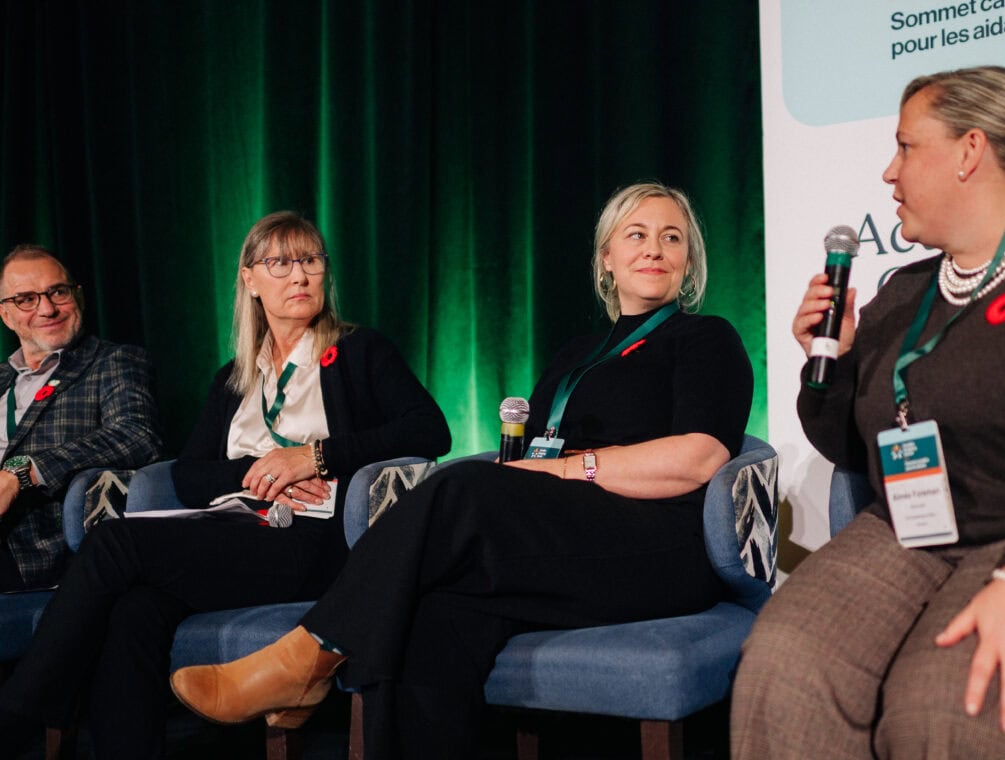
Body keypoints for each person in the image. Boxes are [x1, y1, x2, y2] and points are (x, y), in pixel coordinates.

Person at [169, 182, 755, 758]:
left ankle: (308, 654)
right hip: (564, 543)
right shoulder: (577, 354)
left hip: (655, 545)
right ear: (607, 257)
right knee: (428, 619)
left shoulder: (704, 339)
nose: (653, 248)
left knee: (462, 484)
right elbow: (533, 455)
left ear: (688, 262)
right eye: (636, 235)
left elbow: (699, 457)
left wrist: (567, 470)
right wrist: (532, 473)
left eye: (671, 237)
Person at [731, 66, 1005, 759]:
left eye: (905, 147)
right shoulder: (905, 291)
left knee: (953, 705)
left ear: (970, 151)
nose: (887, 172)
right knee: (783, 670)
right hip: (917, 530)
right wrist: (832, 367)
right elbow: (856, 446)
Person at [0, 212, 451, 758]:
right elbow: (188, 475)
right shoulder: (236, 376)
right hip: (237, 529)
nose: (299, 277)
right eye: (280, 263)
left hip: (313, 539)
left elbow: (429, 430)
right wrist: (256, 473)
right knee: (135, 610)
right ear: (250, 280)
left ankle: (19, 710)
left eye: (310, 261)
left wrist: (314, 457)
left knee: (115, 541)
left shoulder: (359, 351)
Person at [0, 245, 163, 592]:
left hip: (34, 547)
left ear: (79, 296)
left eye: (58, 292)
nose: (47, 309)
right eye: (26, 299)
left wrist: (23, 472)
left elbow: (136, 435)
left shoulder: (112, 362)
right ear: (6, 315)